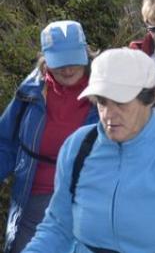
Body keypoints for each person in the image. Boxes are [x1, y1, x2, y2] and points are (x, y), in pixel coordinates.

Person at [24, 48, 155, 252]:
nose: (108, 114)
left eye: (120, 102)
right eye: (102, 102)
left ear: (150, 97)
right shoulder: (78, 147)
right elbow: (58, 228)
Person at [0, 21, 98, 253]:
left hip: (85, 203)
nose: (67, 69)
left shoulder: (104, 95)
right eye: (59, 62)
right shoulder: (30, 93)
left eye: (73, 60)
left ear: (85, 53)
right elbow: (6, 143)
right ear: (45, 60)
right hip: (32, 201)